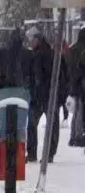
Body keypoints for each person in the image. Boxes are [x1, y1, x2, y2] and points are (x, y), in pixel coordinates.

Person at [0, 28, 35, 162]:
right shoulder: (28, 54)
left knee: (2, 125)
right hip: (22, 92)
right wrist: (30, 85)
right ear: (22, 40)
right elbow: (35, 72)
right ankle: (19, 155)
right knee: (20, 126)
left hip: (4, 91)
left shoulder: (2, 53)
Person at [28, 31, 67, 162]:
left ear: (38, 41)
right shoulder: (56, 56)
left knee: (32, 124)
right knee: (53, 126)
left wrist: (33, 93)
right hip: (52, 96)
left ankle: (32, 153)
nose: (31, 43)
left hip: (38, 97)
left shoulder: (35, 56)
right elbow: (64, 78)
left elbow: (34, 77)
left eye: (32, 40)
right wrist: (61, 95)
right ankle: (49, 154)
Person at [70, 28, 85, 148]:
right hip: (81, 82)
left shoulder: (72, 48)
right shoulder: (82, 50)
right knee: (80, 109)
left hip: (73, 82)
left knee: (76, 110)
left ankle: (73, 135)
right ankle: (78, 135)